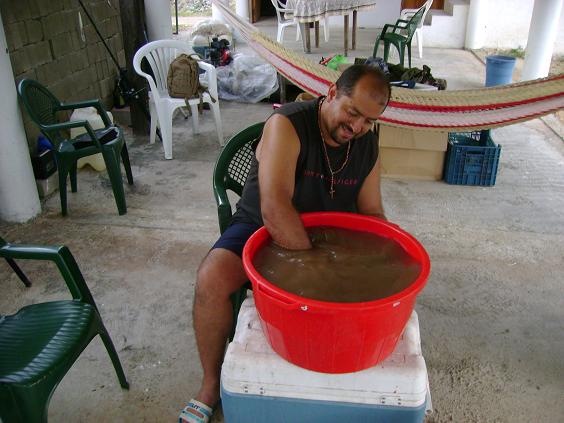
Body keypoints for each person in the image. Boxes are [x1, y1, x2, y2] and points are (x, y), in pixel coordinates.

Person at [179, 64, 391, 423]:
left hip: (328, 233)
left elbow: (371, 212)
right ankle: (210, 386)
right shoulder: (287, 124)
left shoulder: (367, 144)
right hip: (260, 224)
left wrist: (383, 258)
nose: (356, 128)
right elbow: (275, 207)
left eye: (368, 121)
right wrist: (313, 267)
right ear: (331, 93)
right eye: (352, 112)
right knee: (211, 279)